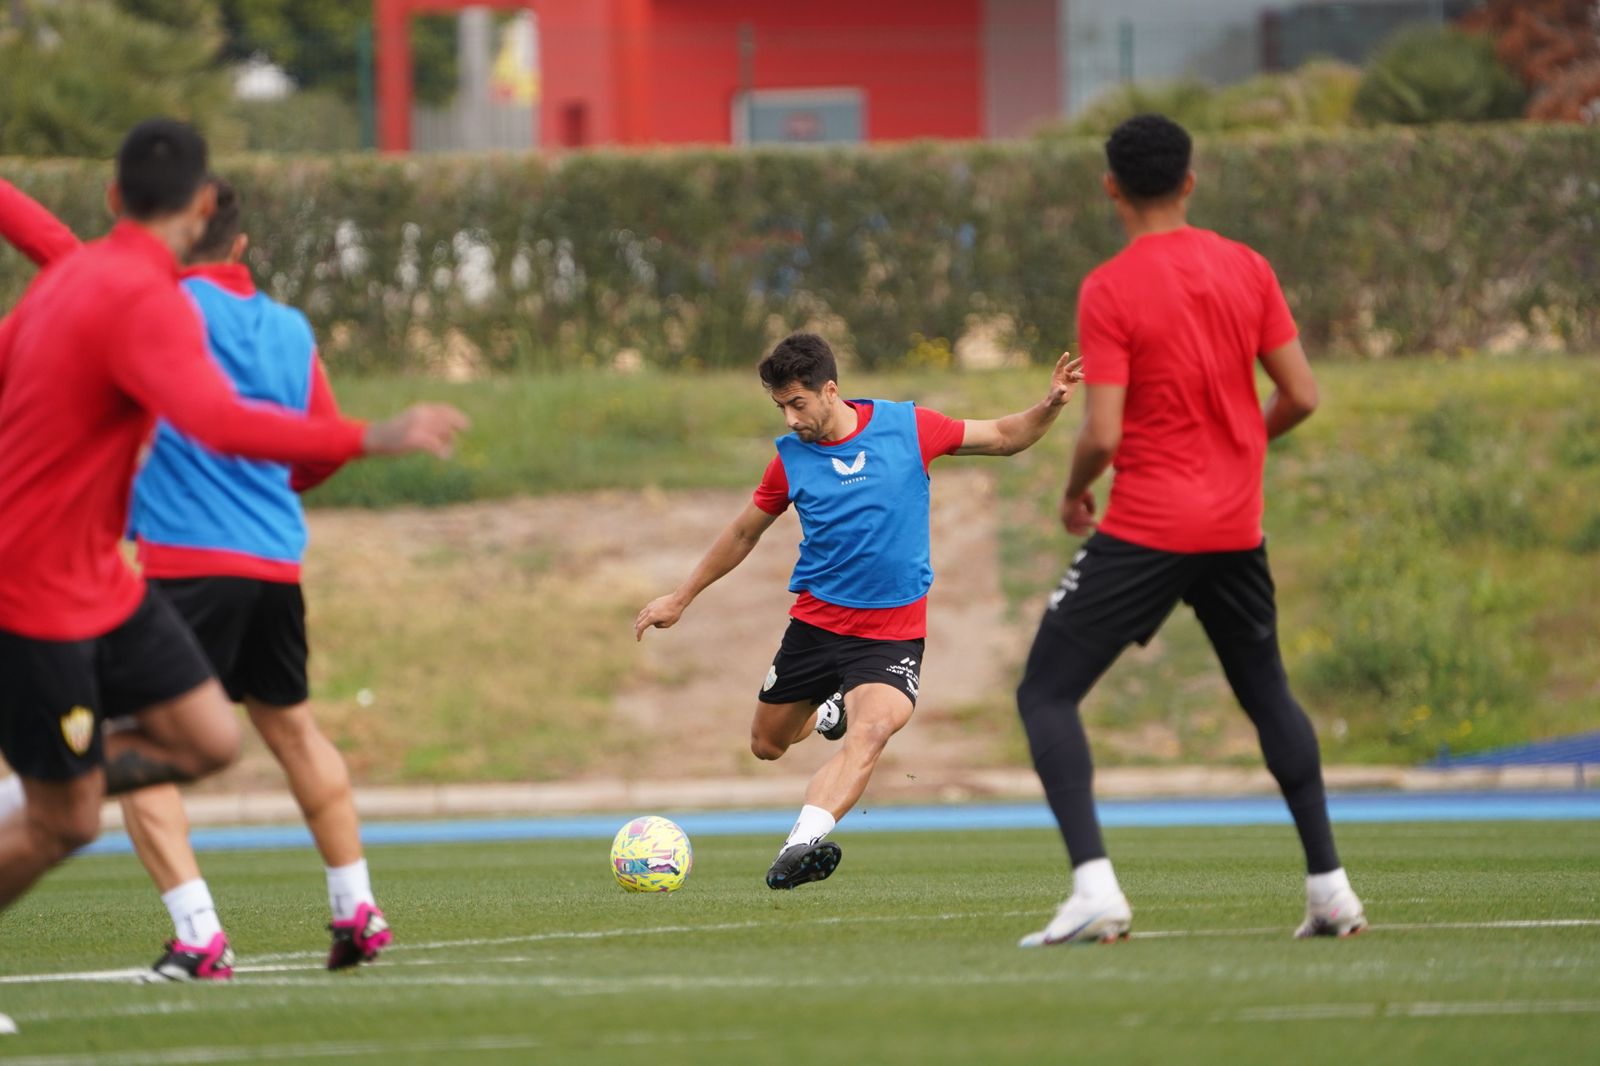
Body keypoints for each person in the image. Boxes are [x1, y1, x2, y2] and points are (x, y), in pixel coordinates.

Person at [0, 119, 466, 928]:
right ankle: (51, 791)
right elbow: (219, 420)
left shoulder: (93, 278)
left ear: (115, 199)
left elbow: (42, 232)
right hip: (39, 584)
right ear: (208, 203)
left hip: (110, 580)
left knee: (210, 741)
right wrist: (370, 436)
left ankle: (41, 785)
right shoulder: (150, 302)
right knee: (68, 822)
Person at [1014, 114, 1366, 947]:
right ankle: (1331, 891)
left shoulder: (1109, 287)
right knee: (1267, 693)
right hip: (1236, 529)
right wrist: (1241, 440)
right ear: (1189, 181)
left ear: (1111, 189)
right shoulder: (1247, 267)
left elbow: (1101, 432)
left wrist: (1073, 493)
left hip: (1149, 525)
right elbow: (1303, 394)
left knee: (1046, 691)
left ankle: (1096, 890)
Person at [637, 332, 1082, 888]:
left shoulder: (908, 427)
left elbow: (1004, 436)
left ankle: (798, 846)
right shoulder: (790, 461)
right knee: (767, 744)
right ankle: (828, 712)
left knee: (871, 732)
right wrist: (680, 598)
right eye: (780, 407)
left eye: (797, 404)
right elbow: (742, 533)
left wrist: (1050, 404)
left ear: (830, 390)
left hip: (891, 634)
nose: (790, 419)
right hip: (816, 626)